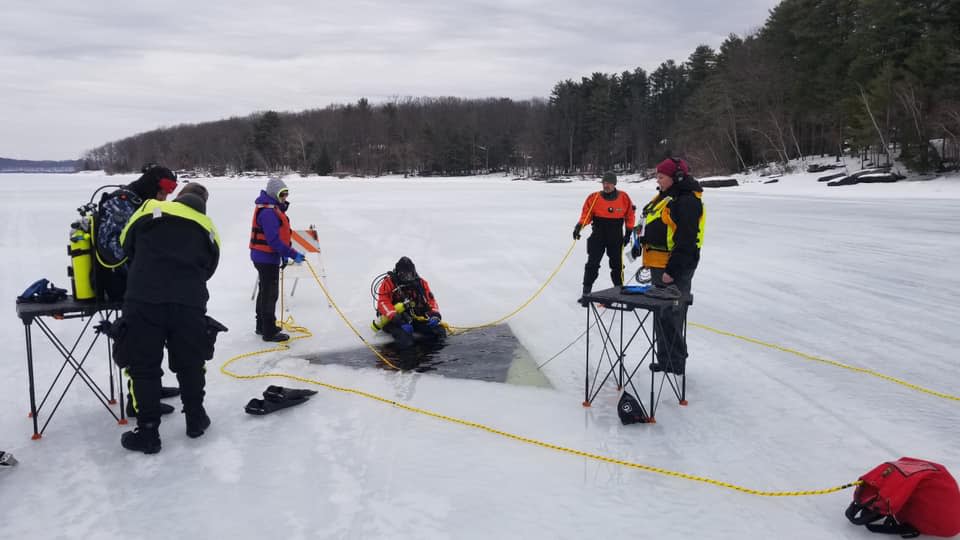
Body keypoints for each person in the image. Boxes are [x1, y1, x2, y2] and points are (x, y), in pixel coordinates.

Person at [116, 183, 220, 454]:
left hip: (144, 299)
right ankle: (196, 419)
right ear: (204, 203)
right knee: (191, 363)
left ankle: (148, 433)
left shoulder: (150, 208)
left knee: (143, 366)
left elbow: (124, 244)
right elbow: (210, 267)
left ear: (179, 196)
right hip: (189, 302)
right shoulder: (208, 226)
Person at [633, 158, 705, 375]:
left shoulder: (687, 202)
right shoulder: (666, 197)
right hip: (658, 264)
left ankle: (676, 362)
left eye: (661, 177)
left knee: (672, 315)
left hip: (675, 267)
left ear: (676, 177)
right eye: (657, 176)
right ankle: (665, 359)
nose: (658, 180)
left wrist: (671, 272)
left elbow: (686, 240)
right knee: (661, 314)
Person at [249, 178, 304, 342]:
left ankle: (261, 326)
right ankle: (269, 331)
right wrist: (293, 254)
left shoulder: (271, 209)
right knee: (270, 294)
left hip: (266, 257)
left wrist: (284, 254)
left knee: (265, 291)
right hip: (265, 258)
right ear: (273, 194)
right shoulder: (268, 213)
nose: (285, 197)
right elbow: (273, 240)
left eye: (286, 194)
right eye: (282, 194)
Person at [573, 172, 636, 304]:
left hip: (616, 236)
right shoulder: (594, 197)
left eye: (609, 183)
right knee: (592, 265)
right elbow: (586, 215)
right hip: (598, 235)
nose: (606, 185)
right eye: (604, 183)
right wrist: (579, 226)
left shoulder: (624, 197)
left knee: (617, 266)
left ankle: (619, 292)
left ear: (614, 184)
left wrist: (628, 232)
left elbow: (629, 215)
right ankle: (586, 294)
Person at [374, 257, 445, 350]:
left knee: (439, 331)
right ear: (399, 273)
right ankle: (404, 362)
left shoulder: (421, 283)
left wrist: (435, 315)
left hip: (413, 317)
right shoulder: (388, 283)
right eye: (405, 275)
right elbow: (383, 303)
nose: (408, 277)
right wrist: (398, 320)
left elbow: (431, 300)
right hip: (394, 320)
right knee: (406, 340)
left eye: (410, 274)